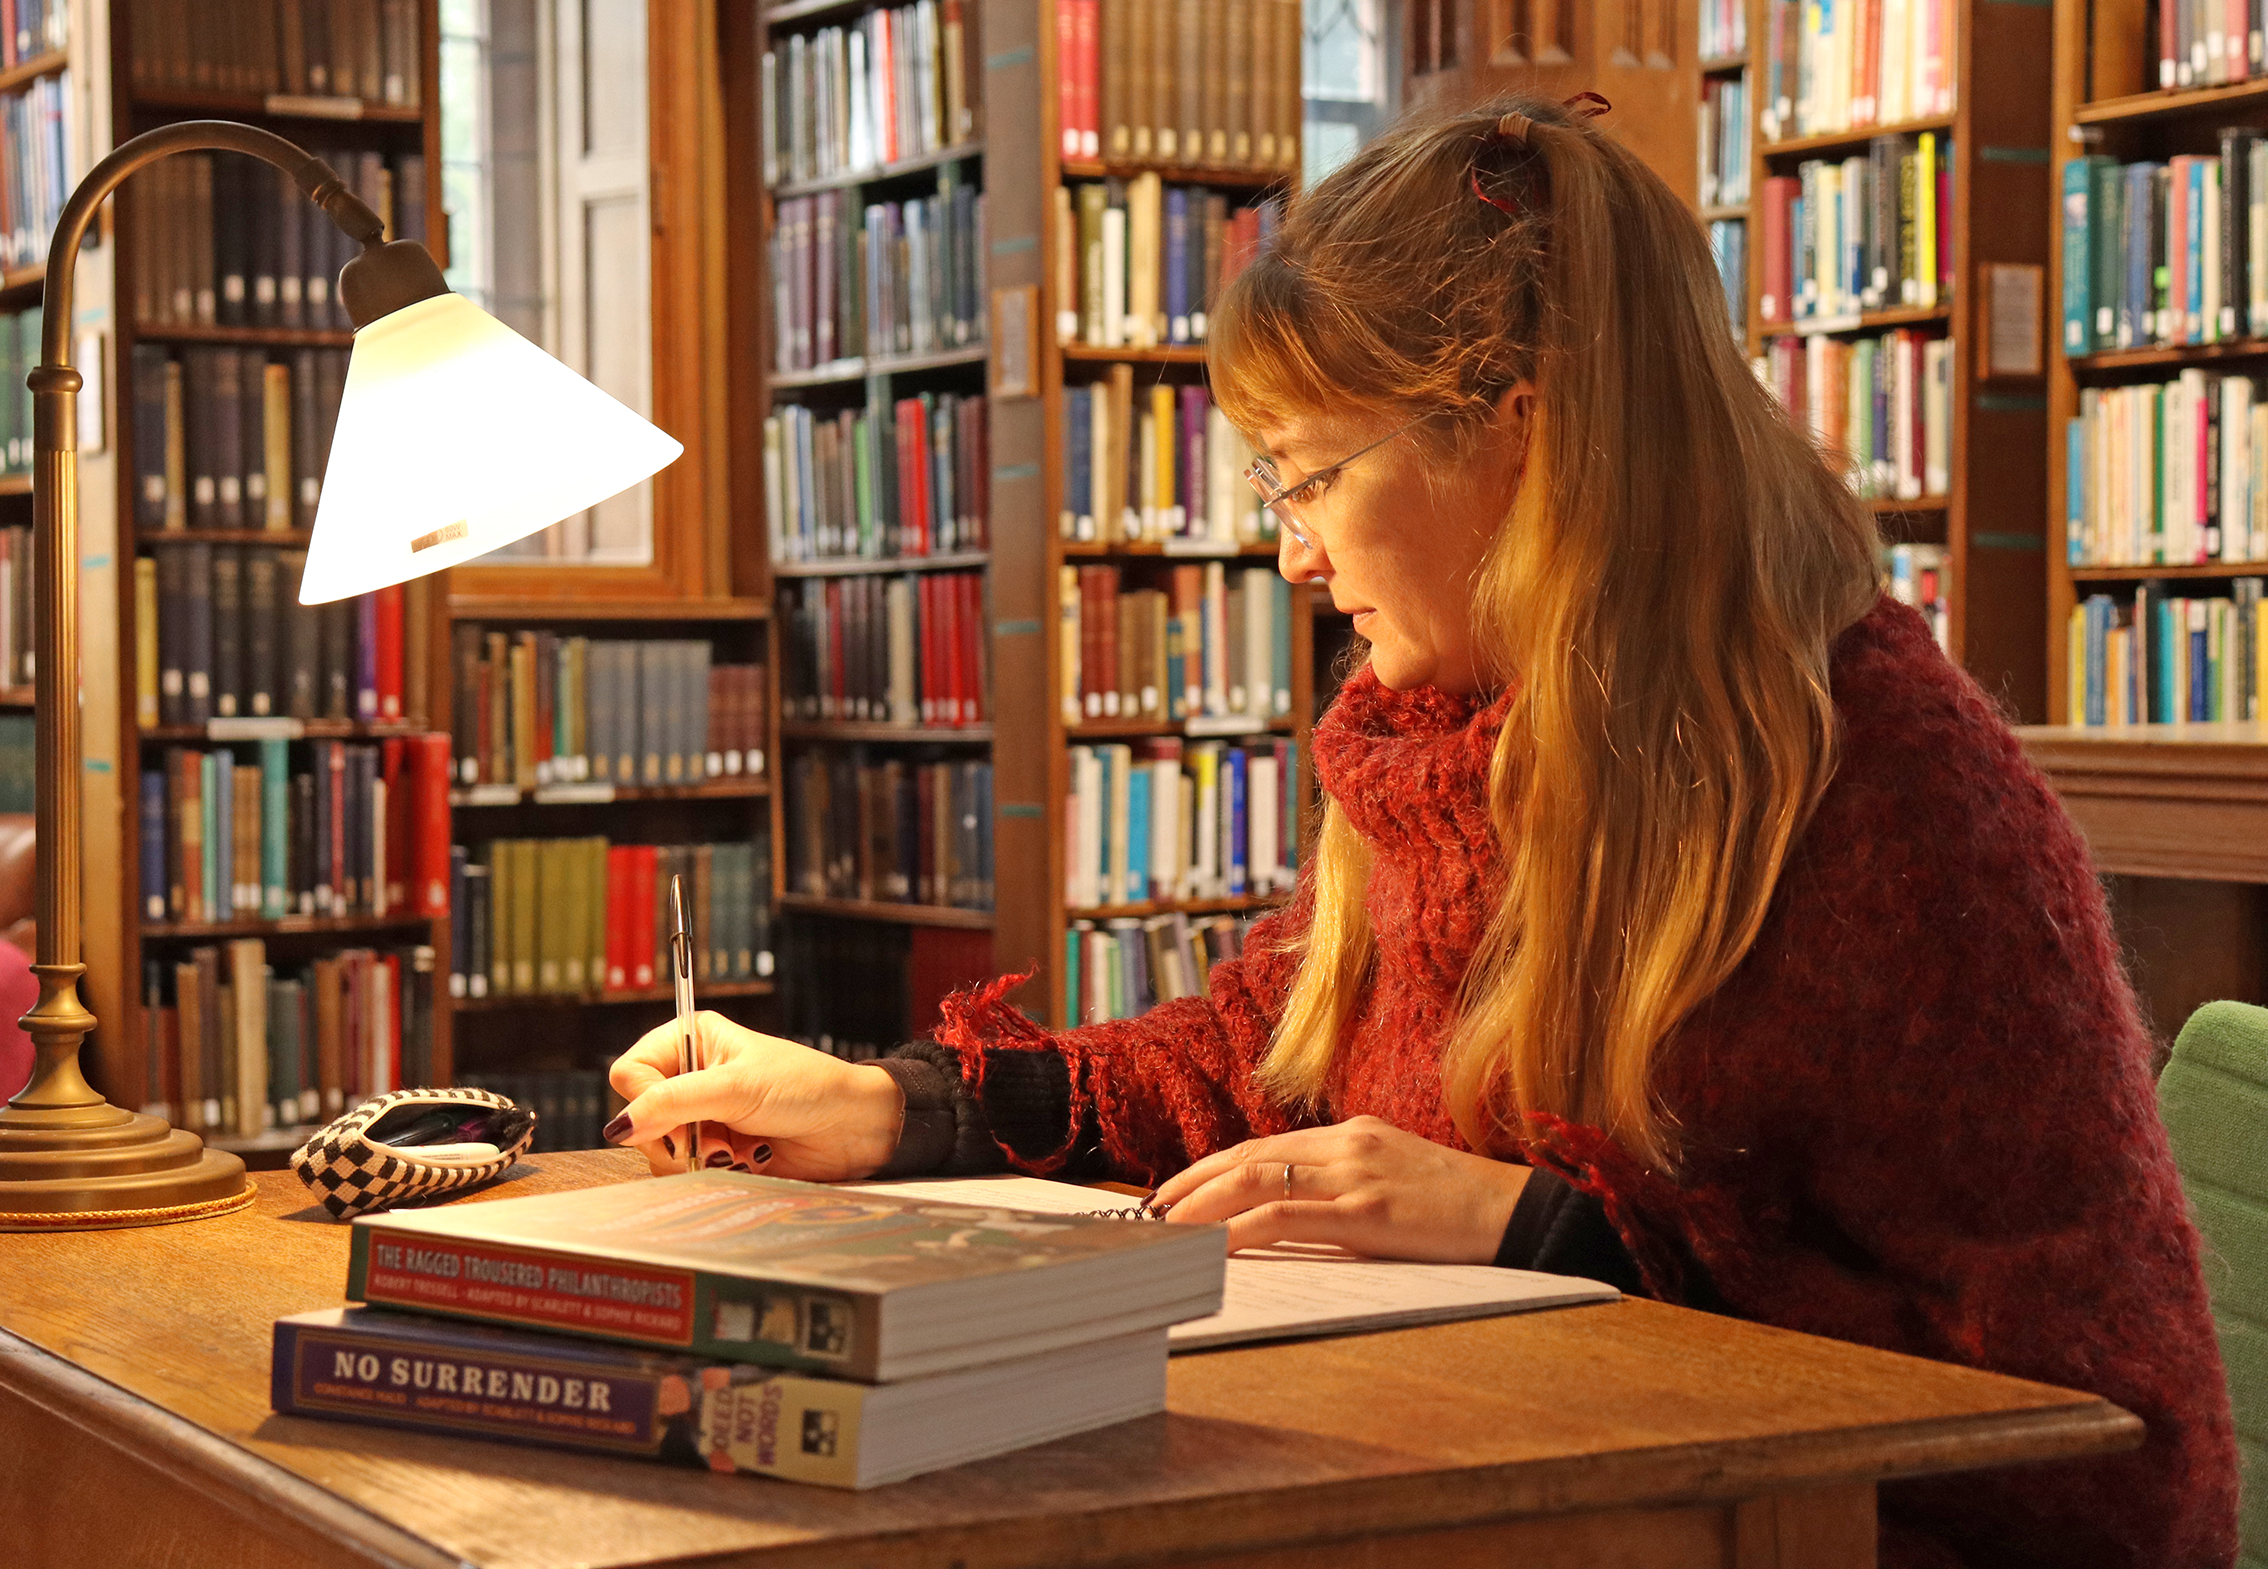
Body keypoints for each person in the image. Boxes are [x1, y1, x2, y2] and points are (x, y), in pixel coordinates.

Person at [607, 95, 2236, 1566]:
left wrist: (1538, 1232)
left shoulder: (1882, 791)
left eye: (1310, 478)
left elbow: (2109, 1442)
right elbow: (1266, 1057)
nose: (1294, 556)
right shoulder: (1446, 742)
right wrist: (896, 1109)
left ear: (1521, 426)